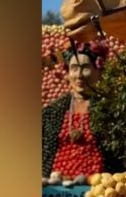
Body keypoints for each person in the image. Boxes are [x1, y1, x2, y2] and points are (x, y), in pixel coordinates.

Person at [42, 46, 105, 182]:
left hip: (96, 186)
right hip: (55, 186)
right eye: (74, 68)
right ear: (68, 73)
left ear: (98, 72)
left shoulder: (108, 110)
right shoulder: (52, 111)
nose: (79, 75)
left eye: (86, 68)